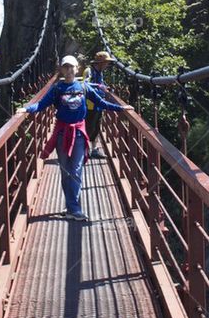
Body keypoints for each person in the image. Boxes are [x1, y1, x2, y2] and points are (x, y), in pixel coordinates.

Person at [17, 55, 132, 221]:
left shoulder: (84, 87)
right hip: (62, 133)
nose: (69, 70)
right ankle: (71, 206)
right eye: (66, 67)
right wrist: (26, 109)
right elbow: (41, 105)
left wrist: (121, 108)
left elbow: (101, 103)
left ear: (77, 68)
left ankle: (75, 208)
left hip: (78, 133)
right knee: (65, 173)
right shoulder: (57, 88)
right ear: (61, 69)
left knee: (76, 170)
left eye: (72, 67)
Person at [82, 51, 114, 158]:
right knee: (88, 127)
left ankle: (94, 150)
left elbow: (101, 84)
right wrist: (99, 86)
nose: (107, 65)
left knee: (96, 127)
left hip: (99, 104)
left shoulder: (100, 72)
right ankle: (84, 151)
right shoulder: (89, 71)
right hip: (89, 104)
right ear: (100, 62)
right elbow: (85, 84)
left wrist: (106, 87)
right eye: (106, 62)